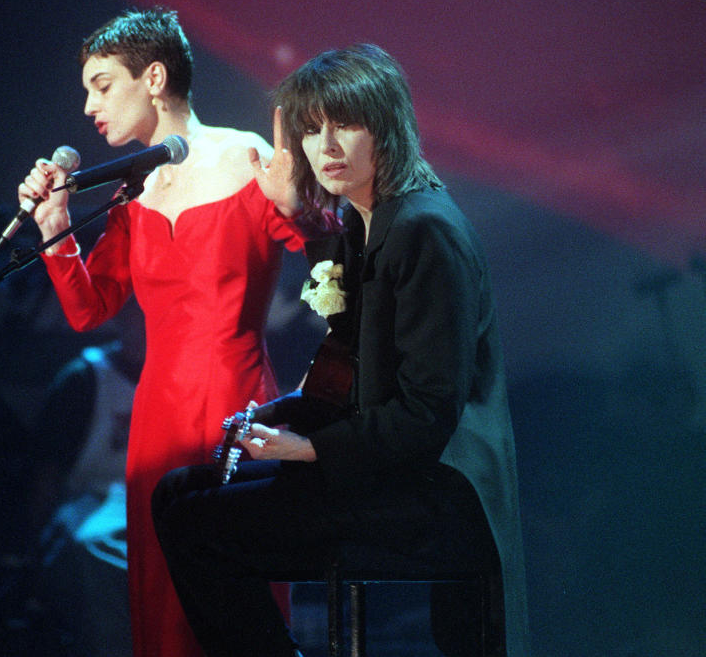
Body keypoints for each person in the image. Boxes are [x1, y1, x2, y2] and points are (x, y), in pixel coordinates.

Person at [152, 44, 530, 656]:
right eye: (309, 129)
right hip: (390, 472)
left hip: (439, 493)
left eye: (344, 125)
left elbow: (428, 412)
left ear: (386, 126)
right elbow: (350, 350)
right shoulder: (366, 218)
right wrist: (283, 414)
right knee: (176, 493)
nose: (324, 147)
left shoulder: (424, 229)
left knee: (198, 525)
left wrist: (306, 449)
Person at [17, 8, 332, 657]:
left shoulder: (246, 155)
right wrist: (55, 227)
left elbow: (321, 248)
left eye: (101, 84)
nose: (87, 106)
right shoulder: (133, 190)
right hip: (154, 418)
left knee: (231, 598)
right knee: (161, 607)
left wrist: (296, 195)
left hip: (235, 402)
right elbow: (89, 308)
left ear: (153, 76)